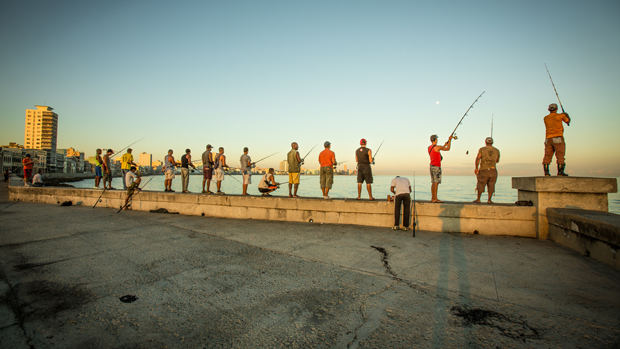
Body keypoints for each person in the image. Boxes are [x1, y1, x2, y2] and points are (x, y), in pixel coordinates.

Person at [543, 103, 571, 176]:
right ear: (556, 109)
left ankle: (546, 173)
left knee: (547, 156)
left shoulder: (545, 118)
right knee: (560, 155)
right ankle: (560, 172)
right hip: (558, 137)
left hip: (548, 139)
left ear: (549, 109)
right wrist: (566, 115)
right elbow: (568, 121)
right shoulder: (560, 116)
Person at [474, 137, 500, 204]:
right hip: (493, 170)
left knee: (481, 183)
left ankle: (478, 199)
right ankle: (489, 200)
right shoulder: (497, 150)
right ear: (492, 143)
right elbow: (497, 161)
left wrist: (476, 168)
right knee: (491, 185)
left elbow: (478, 158)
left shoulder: (482, 149)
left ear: (485, 142)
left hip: (484, 169)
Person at [428, 134, 453, 203]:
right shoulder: (437, 147)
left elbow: (440, 148)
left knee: (433, 182)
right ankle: (435, 199)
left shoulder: (429, 148)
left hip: (431, 166)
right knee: (436, 183)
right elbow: (448, 149)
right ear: (436, 140)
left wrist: (444, 145)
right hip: (436, 166)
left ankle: (433, 198)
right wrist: (450, 140)